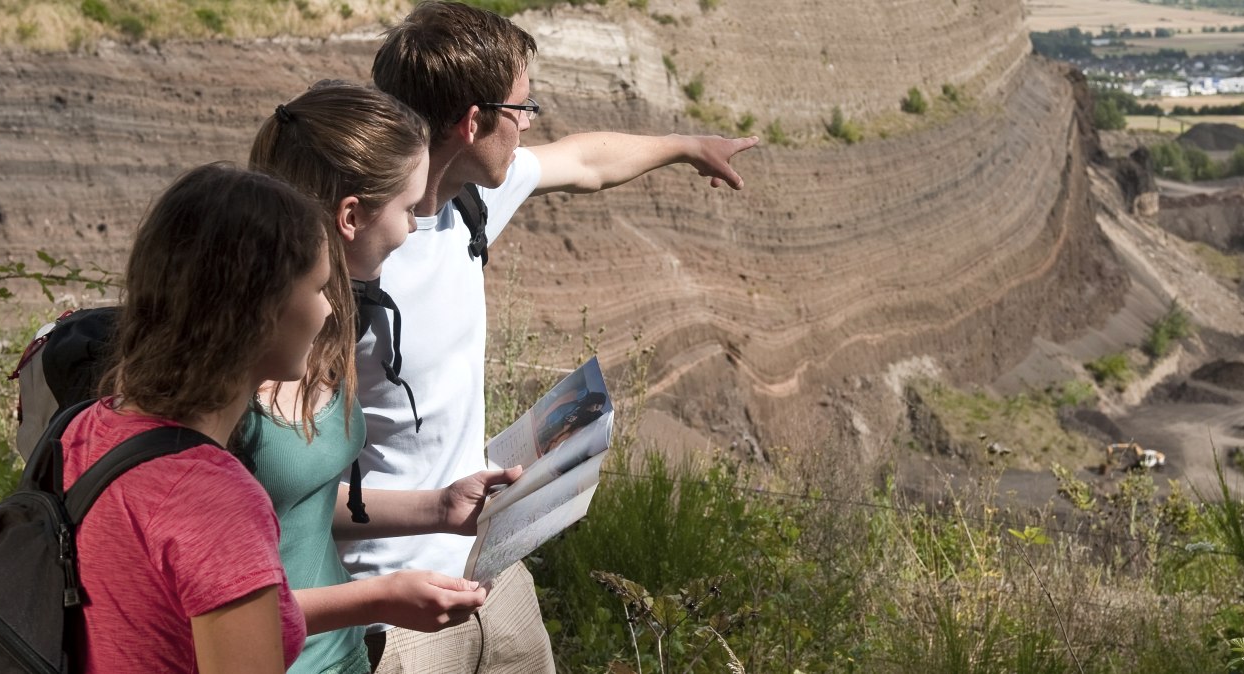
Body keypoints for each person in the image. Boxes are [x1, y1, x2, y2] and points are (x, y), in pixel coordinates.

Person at [341, 2, 759, 671]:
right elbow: (286, 484)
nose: (530, 124)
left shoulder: (466, 202)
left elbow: (586, 160)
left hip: (493, 574)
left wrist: (685, 147)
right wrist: (434, 513)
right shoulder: (345, 265)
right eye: (521, 108)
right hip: (396, 606)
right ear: (471, 122)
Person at [244, 81, 524, 674]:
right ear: (350, 216)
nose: (411, 229)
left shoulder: (316, 336)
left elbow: (297, 501)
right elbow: (210, 617)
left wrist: (439, 508)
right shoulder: (234, 380)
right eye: (406, 208)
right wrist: (378, 597)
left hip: (337, 655)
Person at [59, 163, 328, 673]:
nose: (328, 311)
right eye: (318, 289)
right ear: (261, 307)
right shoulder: (212, 499)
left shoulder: (88, 428)